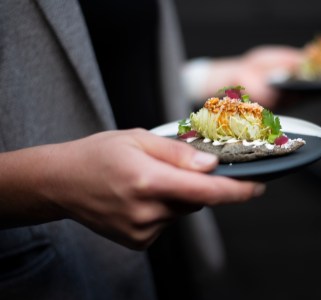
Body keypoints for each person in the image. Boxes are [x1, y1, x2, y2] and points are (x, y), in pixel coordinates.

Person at [0, 0, 301, 299]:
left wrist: (208, 78)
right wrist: (51, 181)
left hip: (168, 244)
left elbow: (113, 65)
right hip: (50, 268)